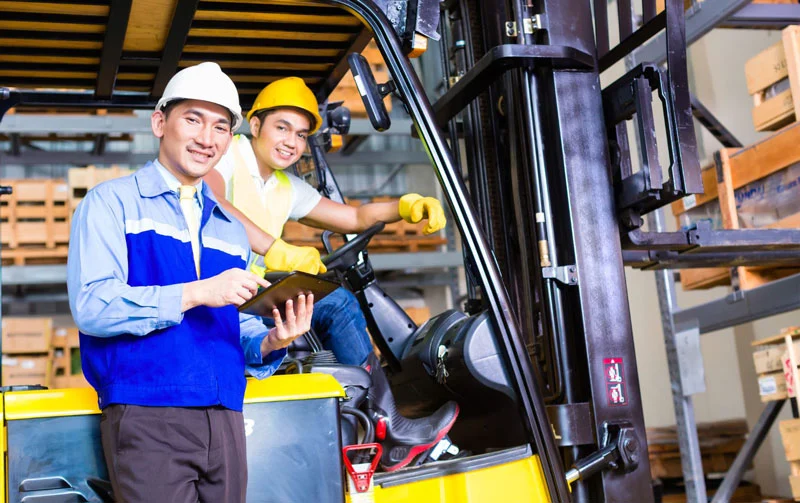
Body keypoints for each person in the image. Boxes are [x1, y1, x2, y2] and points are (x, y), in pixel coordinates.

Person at [67, 62, 313, 503]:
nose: (207, 138)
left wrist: (274, 340)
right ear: (160, 122)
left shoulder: (230, 228)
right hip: (147, 413)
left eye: (221, 126)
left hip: (225, 416)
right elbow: (93, 306)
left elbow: (229, 323)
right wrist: (198, 292)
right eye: (193, 119)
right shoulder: (111, 204)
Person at [203, 76, 458, 471]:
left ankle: (369, 420)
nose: (291, 141)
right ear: (255, 126)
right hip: (220, 293)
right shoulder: (227, 155)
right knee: (336, 303)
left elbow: (353, 216)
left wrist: (406, 206)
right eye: (281, 128)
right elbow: (213, 198)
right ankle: (386, 425)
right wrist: (275, 248)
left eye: (301, 135)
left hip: (253, 292)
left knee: (331, 296)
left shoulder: (286, 186)